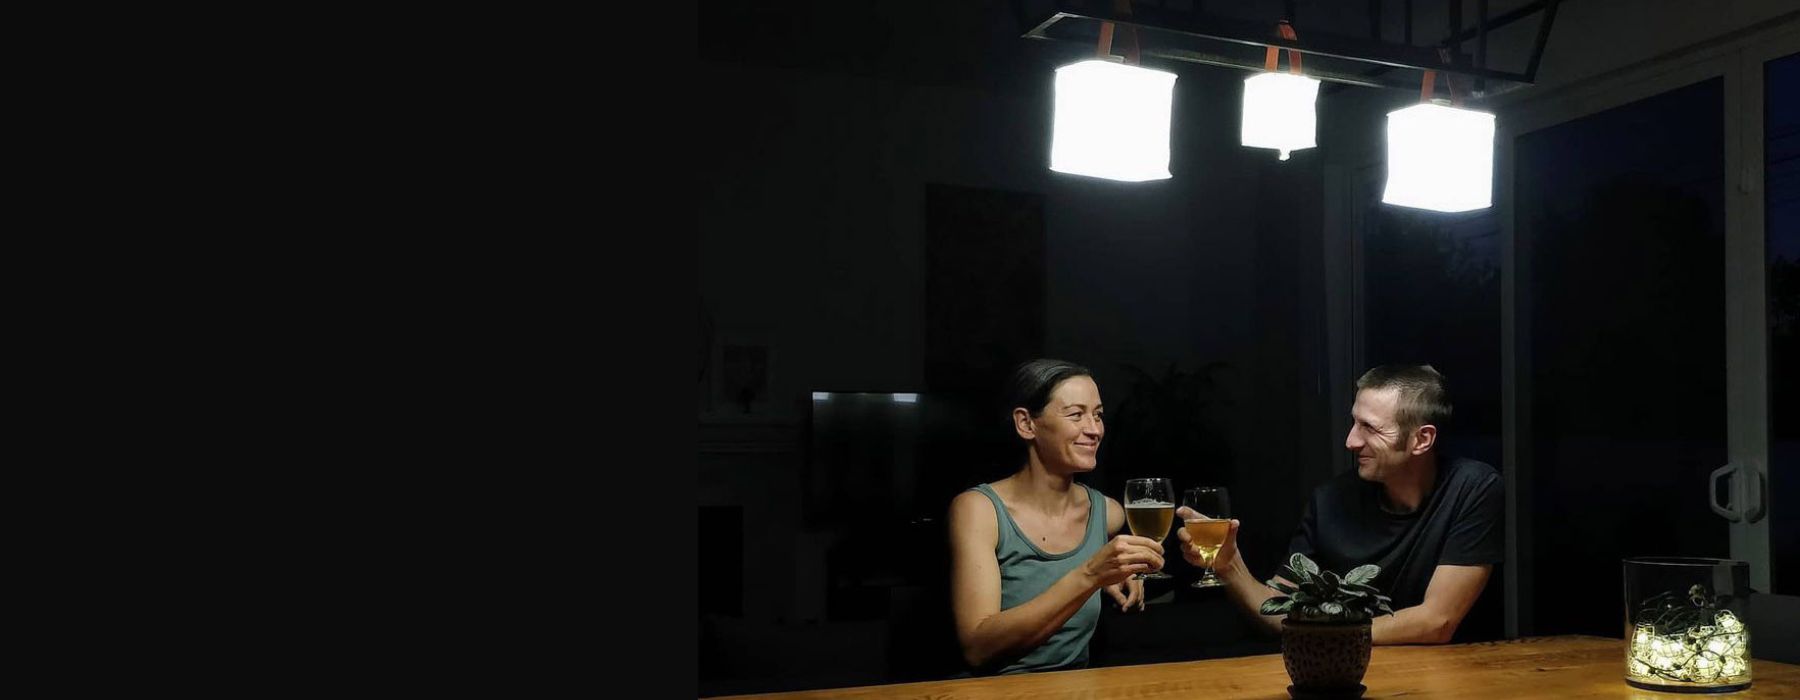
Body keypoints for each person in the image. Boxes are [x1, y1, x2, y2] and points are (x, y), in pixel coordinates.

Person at [1178, 364, 1503, 644]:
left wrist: (1329, 633)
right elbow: (1280, 611)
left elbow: (1437, 622)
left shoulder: (1471, 488)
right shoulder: (1331, 500)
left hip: (1453, 679)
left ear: (1421, 439)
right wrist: (1230, 566)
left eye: (1370, 428)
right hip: (1341, 673)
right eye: (1354, 422)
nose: (1351, 441)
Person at [947, 359, 1166, 673]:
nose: (1094, 430)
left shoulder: (1108, 513)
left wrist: (1120, 573)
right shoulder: (979, 510)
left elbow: (1104, 564)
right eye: (1076, 415)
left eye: (1098, 415)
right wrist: (1090, 576)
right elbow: (978, 648)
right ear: (1026, 424)